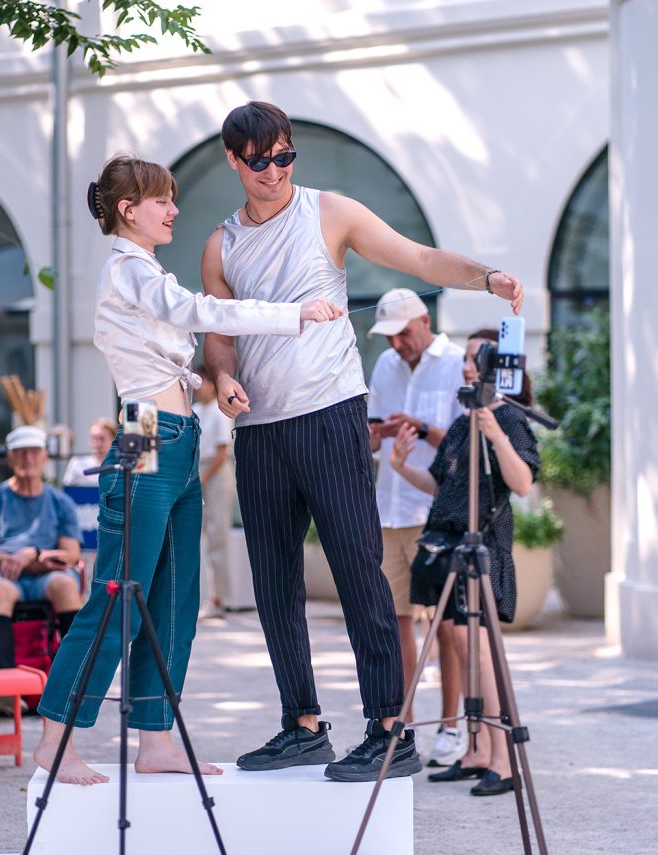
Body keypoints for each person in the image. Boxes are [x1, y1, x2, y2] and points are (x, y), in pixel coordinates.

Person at [202, 100, 524, 782]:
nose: (274, 171)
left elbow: (419, 257)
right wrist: (224, 378)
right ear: (234, 160)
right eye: (259, 162)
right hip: (259, 430)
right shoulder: (220, 245)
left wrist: (488, 277)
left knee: (357, 568)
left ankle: (388, 730)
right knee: (274, 582)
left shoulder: (329, 212)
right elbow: (220, 338)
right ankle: (301, 726)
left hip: (330, 414)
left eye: (285, 157)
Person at [32, 153, 342, 785]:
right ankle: (55, 740)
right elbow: (202, 311)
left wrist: (220, 382)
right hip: (142, 431)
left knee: (175, 603)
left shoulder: (145, 269)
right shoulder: (127, 269)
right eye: (162, 200)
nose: (174, 210)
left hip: (176, 435)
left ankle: (156, 741)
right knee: (119, 596)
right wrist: (294, 314)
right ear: (128, 210)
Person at [389, 328, 541, 796]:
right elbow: (442, 486)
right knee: (458, 642)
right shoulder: (461, 422)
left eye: (478, 359)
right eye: (467, 359)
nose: (468, 366)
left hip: (483, 547)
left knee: (481, 648)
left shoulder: (509, 419)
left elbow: (522, 483)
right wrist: (400, 467)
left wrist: (496, 435)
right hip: (447, 547)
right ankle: (476, 750)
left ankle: (504, 760)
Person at [365, 287, 468, 765]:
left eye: (403, 333)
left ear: (425, 321)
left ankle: (451, 725)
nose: (396, 344)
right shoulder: (386, 366)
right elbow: (370, 438)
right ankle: (401, 727)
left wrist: (421, 428)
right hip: (389, 509)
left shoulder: (457, 363)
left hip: (436, 513)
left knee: (447, 627)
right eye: (389, 336)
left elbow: (467, 445)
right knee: (396, 623)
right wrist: (376, 434)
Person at [0, 425, 84, 673]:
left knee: (65, 585)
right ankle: (5, 682)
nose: (28, 458)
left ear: (45, 456)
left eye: (34, 451)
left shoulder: (61, 502)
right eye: (20, 452)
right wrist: (14, 560)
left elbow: (71, 554)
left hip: (47, 574)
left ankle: (74, 676)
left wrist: (31, 555)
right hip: (2, 574)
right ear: (9, 458)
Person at [193, 368, 237, 618]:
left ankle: (220, 599)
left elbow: (222, 452)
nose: (198, 387)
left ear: (211, 383)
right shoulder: (195, 411)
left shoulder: (221, 411)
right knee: (198, 538)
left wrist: (202, 478)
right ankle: (206, 597)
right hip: (198, 471)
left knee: (217, 535)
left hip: (217, 472)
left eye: (202, 382)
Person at [63, 418, 117, 487]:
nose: (98, 444)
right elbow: (66, 490)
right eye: (94, 438)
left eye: (102, 439)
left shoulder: (120, 467)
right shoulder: (77, 464)